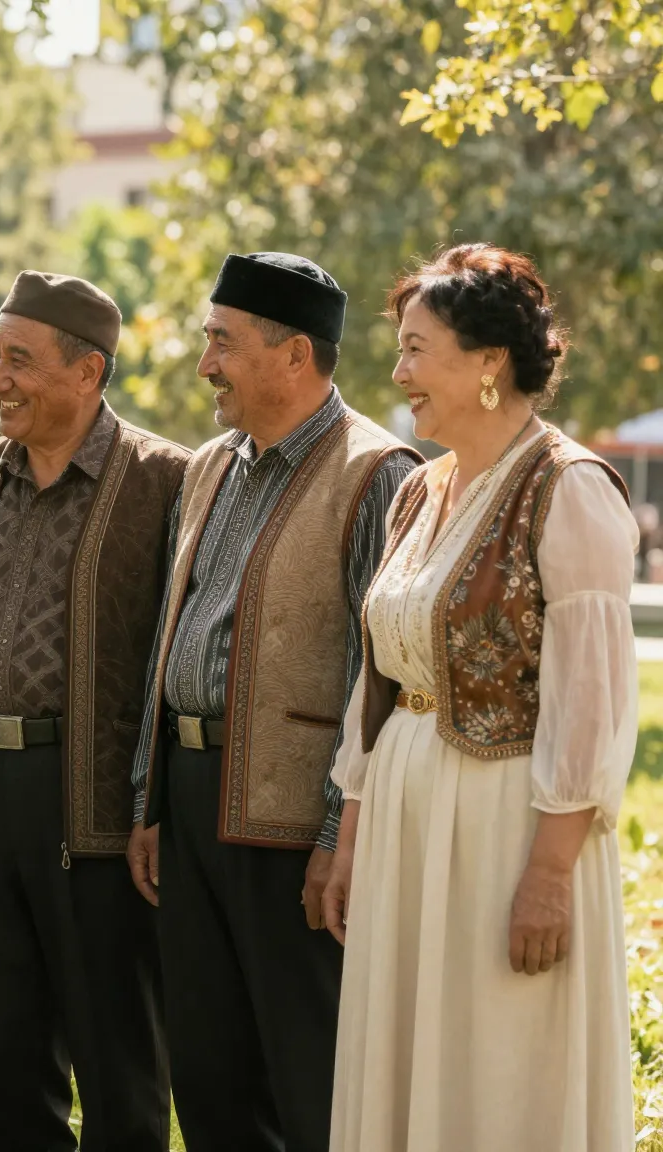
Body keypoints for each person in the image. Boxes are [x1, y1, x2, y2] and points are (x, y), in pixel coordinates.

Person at [321, 244, 637, 1151]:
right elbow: (376, 676)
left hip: (510, 825)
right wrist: (351, 832)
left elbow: (590, 705)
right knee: (411, 1056)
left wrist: (547, 876)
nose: (400, 372)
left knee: (500, 1063)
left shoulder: (569, 490)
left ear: (489, 361)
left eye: (418, 348)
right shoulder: (419, 492)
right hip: (408, 816)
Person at [125, 253, 419, 1152]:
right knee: (209, 1078)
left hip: (294, 825)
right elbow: (166, 640)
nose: (205, 362)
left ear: (295, 355)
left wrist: (341, 835)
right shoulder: (209, 465)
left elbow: (381, 682)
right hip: (188, 801)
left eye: (223, 341)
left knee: (307, 1074)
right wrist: (149, 801)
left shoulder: (381, 472)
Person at [0, 274, 184, 1151]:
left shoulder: (166, 481)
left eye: (19, 361)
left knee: (117, 1060)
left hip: (100, 810)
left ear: (89, 373)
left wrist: (153, 806)